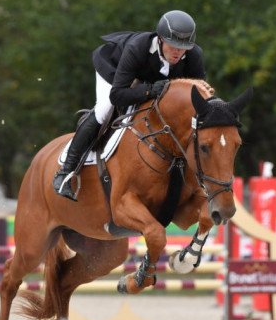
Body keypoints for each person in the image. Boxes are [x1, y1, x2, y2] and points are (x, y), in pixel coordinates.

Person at [53, 10, 208, 201]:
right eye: (173, 45)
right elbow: (118, 94)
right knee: (104, 109)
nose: (178, 52)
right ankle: (66, 172)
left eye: (183, 47)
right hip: (114, 71)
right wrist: (150, 90)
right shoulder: (137, 48)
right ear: (160, 39)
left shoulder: (193, 56)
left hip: (148, 81)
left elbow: (197, 98)